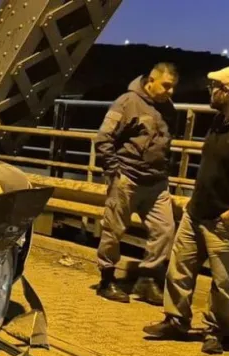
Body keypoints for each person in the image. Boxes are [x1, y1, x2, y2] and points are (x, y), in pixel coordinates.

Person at [143, 66, 229, 354]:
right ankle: (176, 320)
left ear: (228, 91)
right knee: (179, 269)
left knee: (223, 282)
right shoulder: (220, 119)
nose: (210, 91)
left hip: (227, 220)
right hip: (197, 212)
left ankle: (216, 331)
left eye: (214, 86)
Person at [94, 63, 179, 305]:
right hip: (128, 177)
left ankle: (147, 279)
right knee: (114, 230)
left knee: (165, 230)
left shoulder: (168, 108)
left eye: (173, 87)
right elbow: (103, 138)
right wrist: (114, 171)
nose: (170, 92)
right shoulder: (127, 102)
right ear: (151, 80)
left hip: (156, 182)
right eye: (166, 86)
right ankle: (107, 280)